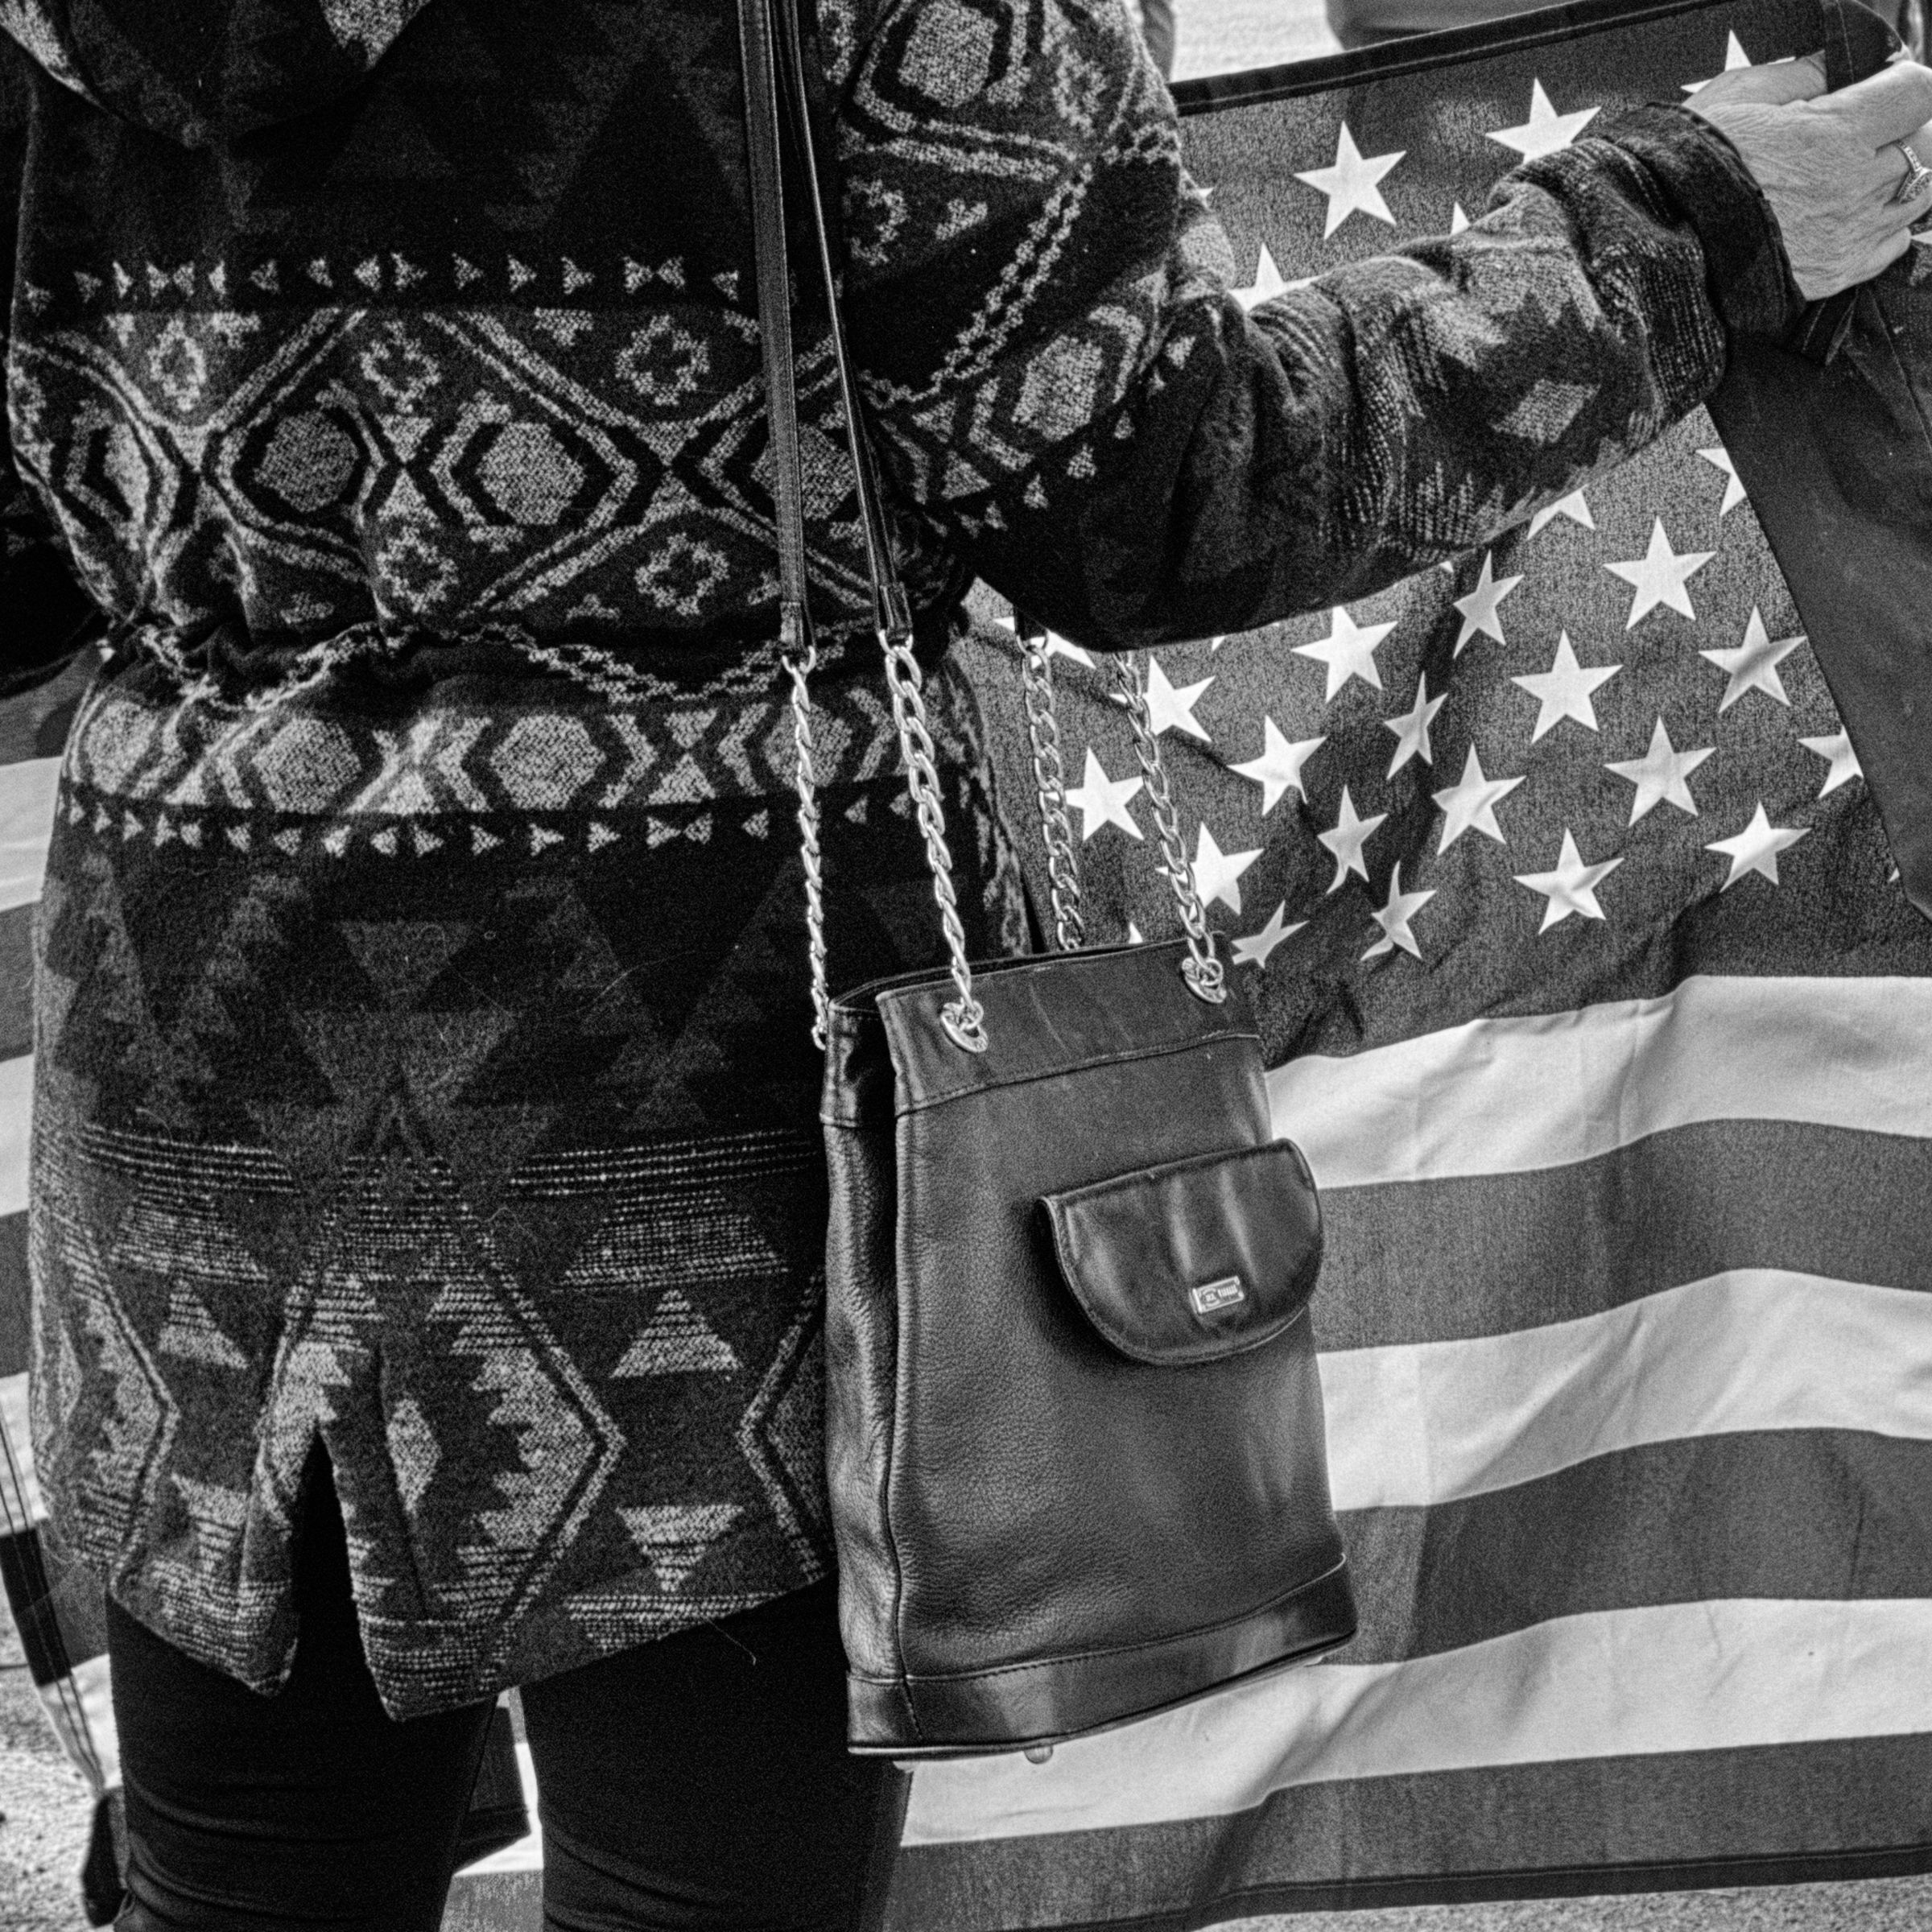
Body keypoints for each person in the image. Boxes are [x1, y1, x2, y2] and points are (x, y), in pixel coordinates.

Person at [2, 1, 1926, 1926]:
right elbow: (1169, 490)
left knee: (246, 1887)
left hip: (193, 1100)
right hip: (723, 1110)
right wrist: (1684, 225)